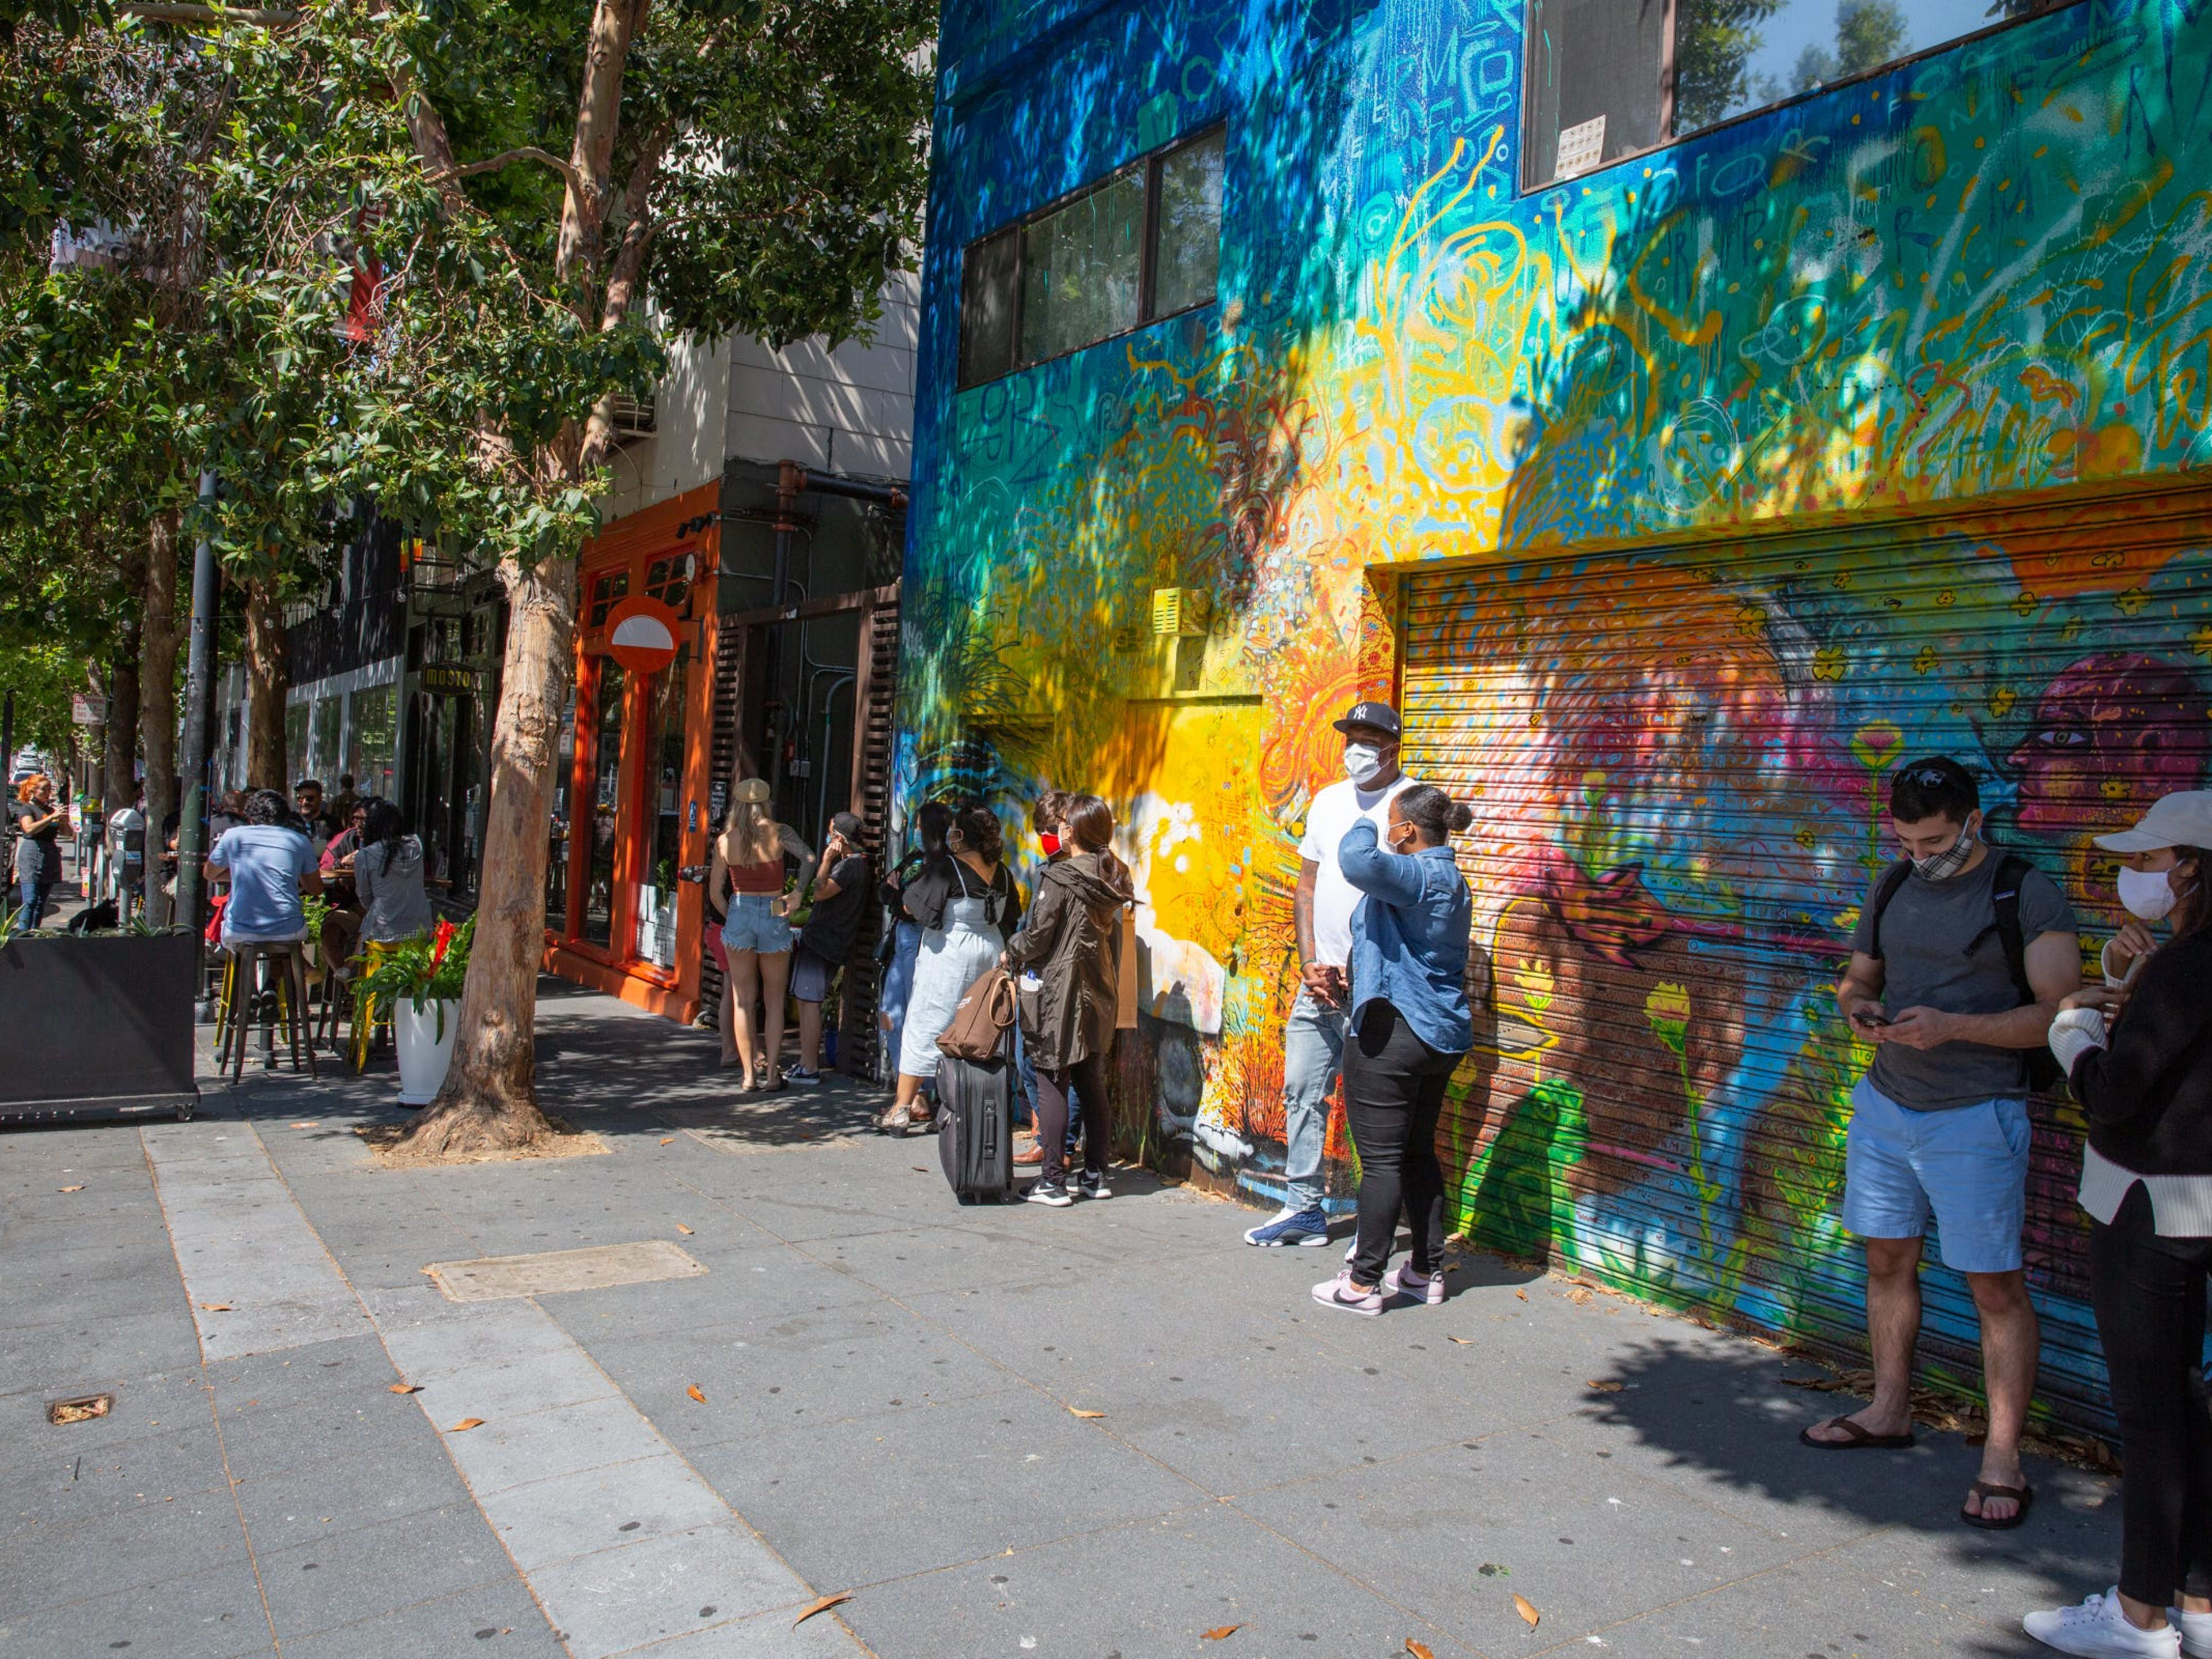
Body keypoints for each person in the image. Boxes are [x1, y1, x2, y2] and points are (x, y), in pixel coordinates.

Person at [1805, 756, 2080, 1531]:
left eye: (1936, 843)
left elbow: (2064, 1016)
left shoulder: (2026, 890)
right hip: (1888, 1106)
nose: (1921, 858)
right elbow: (1858, 978)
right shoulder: (1893, 884)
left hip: (1978, 1115)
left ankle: (2002, 1459)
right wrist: (1860, 1007)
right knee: (1886, 1260)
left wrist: (1955, 1027)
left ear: (1975, 823)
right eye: (1908, 843)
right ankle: (1888, 1408)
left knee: (1995, 1288)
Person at [2022, 791, 2212, 1659]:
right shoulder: (2182, 960)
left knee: (2152, 1413)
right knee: (2191, 1405)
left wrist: (2074, 1032)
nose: (2132, 875)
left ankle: (2139, 1619)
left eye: (2146, 860)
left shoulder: (2189, 965)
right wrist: (2129, 973)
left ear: (2190, 869)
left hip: (2146, 1207)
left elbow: (2113, 1090)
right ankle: (2201, 1605)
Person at [1245, 700, 1418, 1248]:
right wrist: (1309, 960)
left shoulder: (1412, 804)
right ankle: (1303, 1210)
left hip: (1379, 986)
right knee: (1302, 1090)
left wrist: (1365, 967)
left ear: (1393, 747)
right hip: (1320, 981)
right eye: (1351, 737)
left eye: (1369, 739)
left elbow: (1420, 894)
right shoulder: (1326, 800)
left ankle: (1385, 1223)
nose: (1356, 750)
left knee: (1377, 1107)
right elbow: (1307, 886)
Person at [1308, 786, 1475, 1313]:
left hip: (1394, 1033)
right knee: (1418, 1152)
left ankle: (1361, 1284)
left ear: (1407, 831)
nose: (1387, 829)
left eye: (1394, 823)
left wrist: (1368, 821)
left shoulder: (1418, 874)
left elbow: (1357, 860)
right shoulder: (1452, 878)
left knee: (1381, 1162)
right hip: (1439, 1034)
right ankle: (1425, 1272)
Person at [1006, 794, 1133, 1205]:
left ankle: (1053, 1180)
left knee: (1051, 1077)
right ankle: (1096, 1174)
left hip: (1059, 991)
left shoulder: (1059, 877)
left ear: (1073, 832)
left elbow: (1038, 936)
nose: (1058, 830)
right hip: (1099, 988)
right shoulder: (1112, 873)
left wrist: (1012, 948)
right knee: (1091, 1081)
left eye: (1064, 825)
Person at [885, 803, 1020, 1135]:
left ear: (961, 835)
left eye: (954, 830)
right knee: (976, 1027)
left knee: (927, 1022)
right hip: (990, 954)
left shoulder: (948, 867)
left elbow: (912, 906)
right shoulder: (1002, 872)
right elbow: (1011, 915)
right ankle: (958, 1109)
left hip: (949, 954)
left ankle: (902, 1109)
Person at [707, 779, 810, 1092]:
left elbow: (715, 892)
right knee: (775, 1000)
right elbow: (809, 858)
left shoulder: (725, 841)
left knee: (743, 1001)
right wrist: (797, 894)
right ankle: (772, 1075)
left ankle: (749, 1075)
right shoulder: (781, 832)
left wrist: (735, 916)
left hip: (740, 907)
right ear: (767, 803)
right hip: (774, 909)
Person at [786, 811, 871, 1085]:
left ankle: (810, 1066)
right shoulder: (853, 865)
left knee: (810, 1002)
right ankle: (805, 1062)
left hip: (824, 941)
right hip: (824, 939)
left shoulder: (850, 867)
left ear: (838, 838)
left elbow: (820, 891)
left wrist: (825, 861)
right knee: (805, 1000)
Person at [1013, 790, 1073, 1168]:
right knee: (1029, 1062)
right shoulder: (1046, 870)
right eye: (1042, 830)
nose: (1046, 837)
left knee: (1051, 1067)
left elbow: (1042, 931)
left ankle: (1057, 1147)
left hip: (1056, 982)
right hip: (1038, 979)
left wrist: (1015, 949)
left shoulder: (1073, 872)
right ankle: (1049, 1140)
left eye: (1053, 829)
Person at [877, 801, 951, 1090]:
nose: (916, 831)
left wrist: (900, 897)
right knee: (892, 1013)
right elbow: (884, 891)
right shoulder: (912, 859)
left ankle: (922, 1090)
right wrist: (898, 897)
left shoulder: (942, 866)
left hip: (923, 942)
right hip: (903, 939)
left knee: (917, 1014)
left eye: (920, 826)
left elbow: (916, 908)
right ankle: (906, 1085)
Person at [204, 787, 322, 948]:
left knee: (243, 944)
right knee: (283, 944)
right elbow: (316, 889)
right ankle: (301, 971)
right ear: (284, 816)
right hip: (288, 929)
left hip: (239, 930)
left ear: (249, 816)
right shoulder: (300, 841)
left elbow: (209, 873)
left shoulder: (233, 836)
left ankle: (247, 972)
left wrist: (243, 873)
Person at [352, 798, 433, 945]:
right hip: (421, 928)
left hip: (383, 932)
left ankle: (347, 967)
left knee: (362, 937)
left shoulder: (365, 856)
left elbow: (365, 897)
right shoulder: (416, 845)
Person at [9, 773, 70, 929]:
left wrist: (63, 820)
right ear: (32, 791)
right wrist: (50, 818)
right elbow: (29, 829)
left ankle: (35, 932)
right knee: (30, 900)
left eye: (49, 789)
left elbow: (67, 832)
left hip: (49, 854)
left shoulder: (51, 810)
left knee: (41, 901)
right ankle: (24, 934)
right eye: (44, 789)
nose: (48, 792)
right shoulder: (27, 809)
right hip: (32, 853)